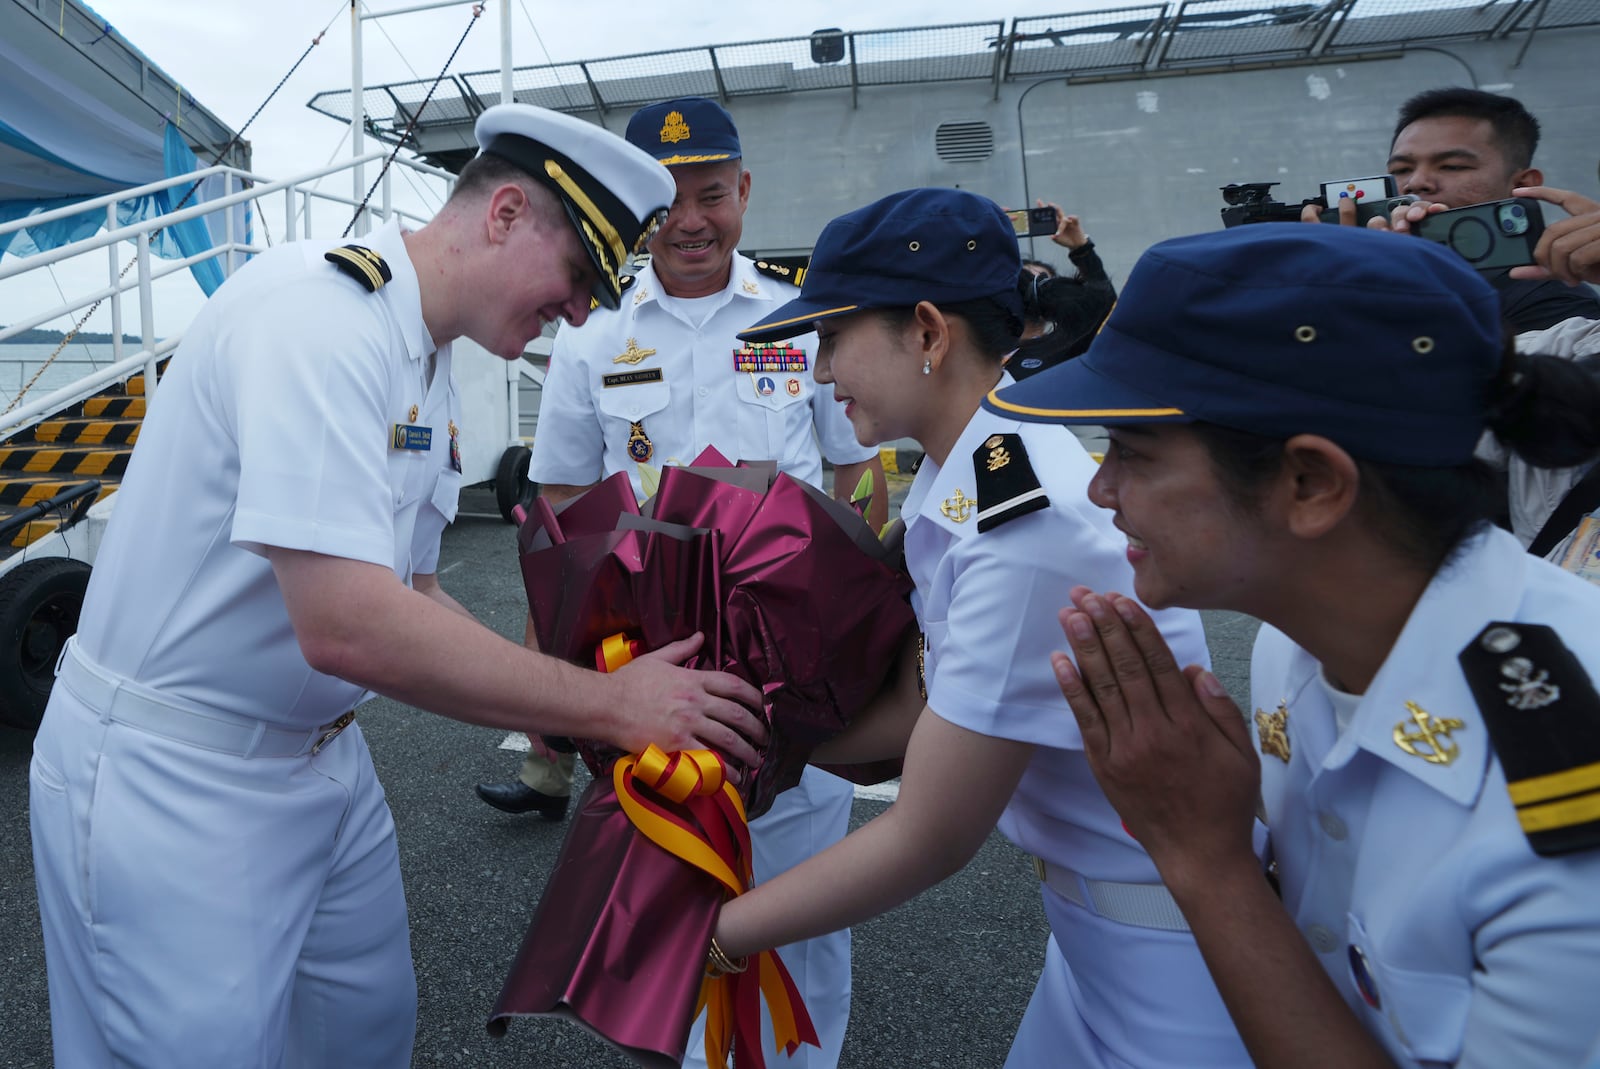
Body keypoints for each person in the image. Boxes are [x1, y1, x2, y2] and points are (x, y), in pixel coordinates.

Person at [27, 103, 768, 1069]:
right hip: (175, 773)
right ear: (504, 213)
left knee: (363, 1034)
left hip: (323, 762)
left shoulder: (425, 357)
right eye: (580, 275)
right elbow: (347, 625)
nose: (583, 312)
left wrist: (571, 714)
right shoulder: (317, 318)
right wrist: (610, 703)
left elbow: (412, 589)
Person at [986, 222, 1600, 1067]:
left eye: (1131, 450)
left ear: (1310, 483)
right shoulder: (1300, 642)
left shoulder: (1559, 787)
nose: (1099, 487)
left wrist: (1208, 859)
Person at [713, 188, 1253, 1068]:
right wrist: (729, 734)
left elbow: (928, 834)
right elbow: (932, 699)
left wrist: (710, 937)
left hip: (1169, 957)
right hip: (1096, 931)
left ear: (928, 332)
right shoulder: (969, 479)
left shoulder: (1022, 526)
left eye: (834, 337)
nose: (816, 371)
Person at [475, 96, 878, 1069]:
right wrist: (580, 674)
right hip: (652, 681)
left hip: (790, 678)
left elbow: (851, 466)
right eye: (670, 201)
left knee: (799, 921)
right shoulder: (592, 333)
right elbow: (563, 499)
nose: (691, 220)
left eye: (712, 193)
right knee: (666, 921)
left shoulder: (800, 316)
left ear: (743, 192)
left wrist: (852, 620)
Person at [1313, 87, 1600, 332]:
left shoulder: (1559, 306)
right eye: (1401, 169)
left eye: (1453, 166)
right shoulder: (1371, 273)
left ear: (1523, 184)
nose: (1416, 183)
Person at [1010, 200, 1116, 380]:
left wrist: (1082, 249)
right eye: (1023, 283)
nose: (1032, 292)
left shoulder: (1068, 346)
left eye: (1042, 284)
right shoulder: (981, 349)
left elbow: (1104, 312)